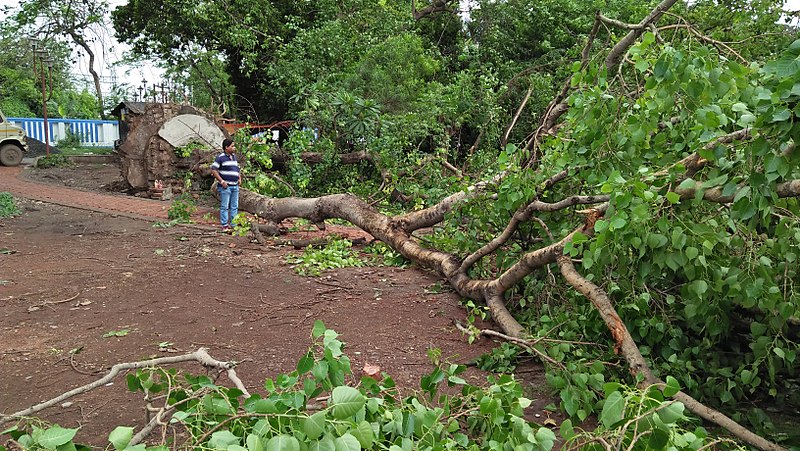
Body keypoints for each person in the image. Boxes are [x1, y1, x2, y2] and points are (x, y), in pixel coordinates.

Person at [210, 138, 241, 232]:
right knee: (225, 206)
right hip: (226, 186)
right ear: (226, 147)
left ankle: (234, 224)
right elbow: (214, 170)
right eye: (232, 146)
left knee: (234, 206)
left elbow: (236, 169)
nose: (234, 148)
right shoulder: (220, 157)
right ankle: (225, 225)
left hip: (235, 185)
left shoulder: (234, 157)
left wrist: (239, 178)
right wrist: (222, 181)